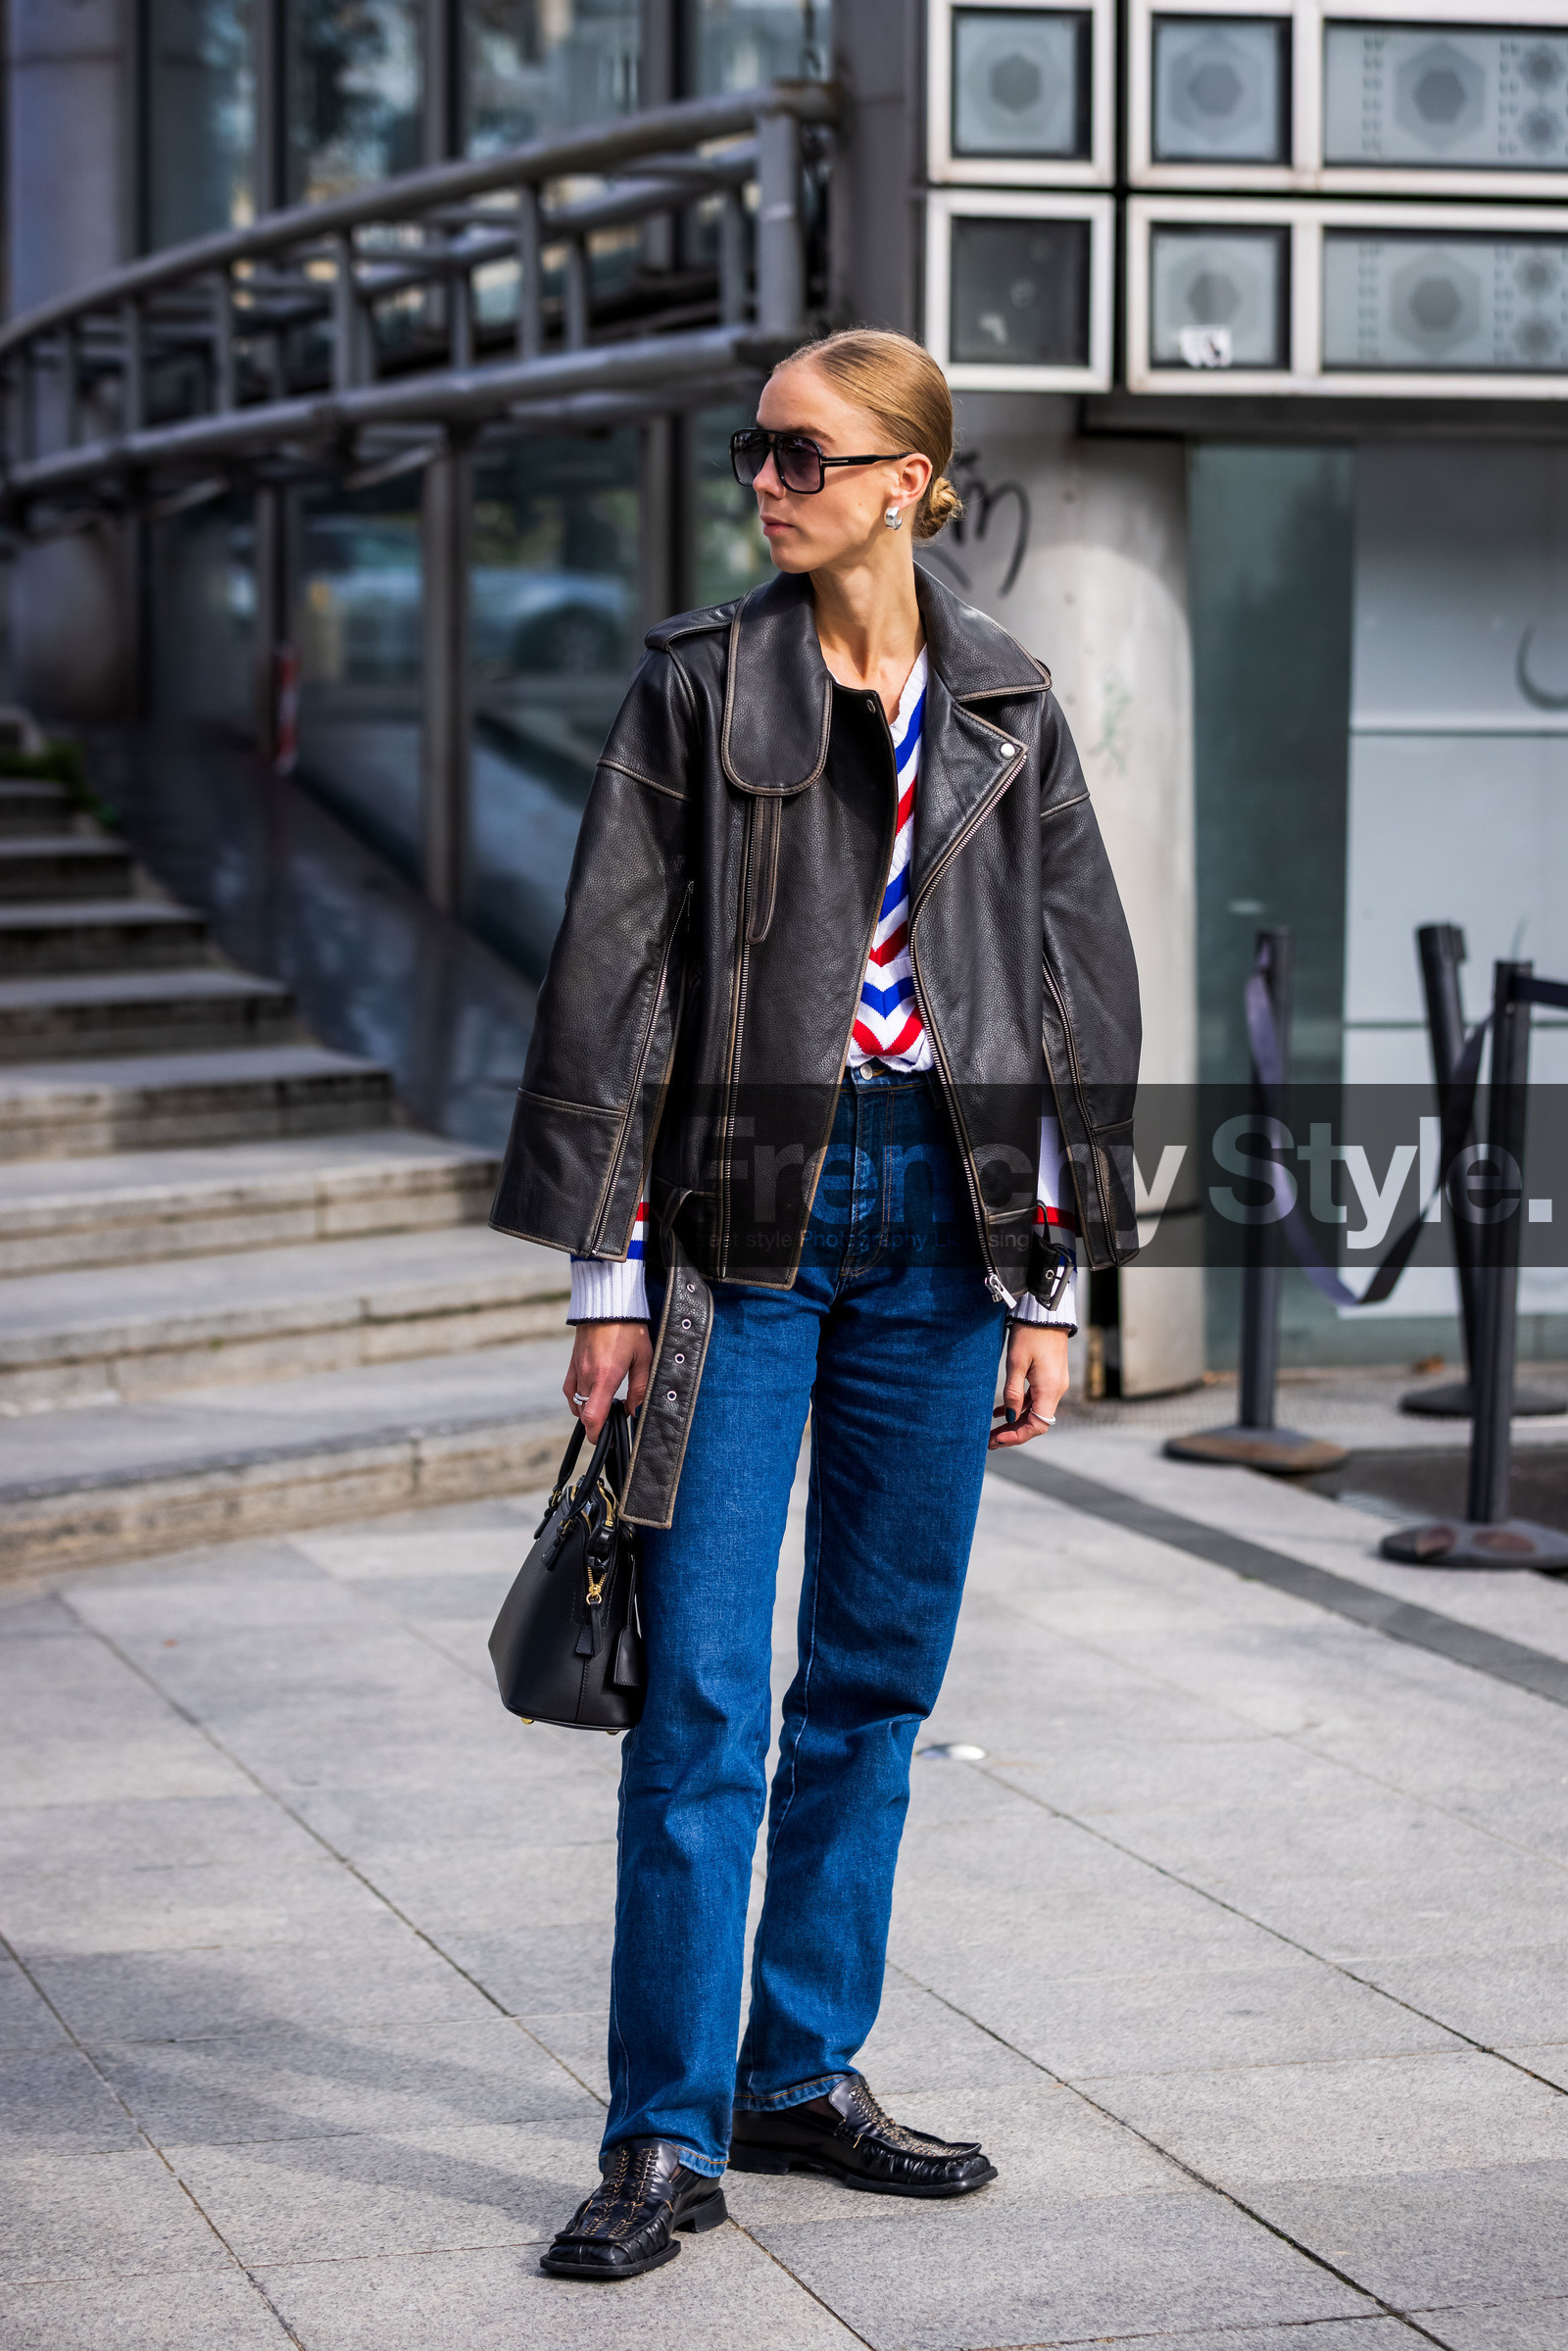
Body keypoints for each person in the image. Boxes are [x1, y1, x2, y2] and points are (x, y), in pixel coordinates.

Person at [489, 326, 1141, 2281]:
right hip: (735, 1236)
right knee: (694, 1697)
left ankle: (797, 2072)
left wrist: (1046, 1277)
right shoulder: (693, 688)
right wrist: (610, 1276)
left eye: (799, 453)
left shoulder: (1009, 700)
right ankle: (662, 2135)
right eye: (751, 452)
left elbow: (1073, 994)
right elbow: (610, 982)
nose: (762, 484)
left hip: (942, 1239)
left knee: (868, 1686)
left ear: (905, 484)